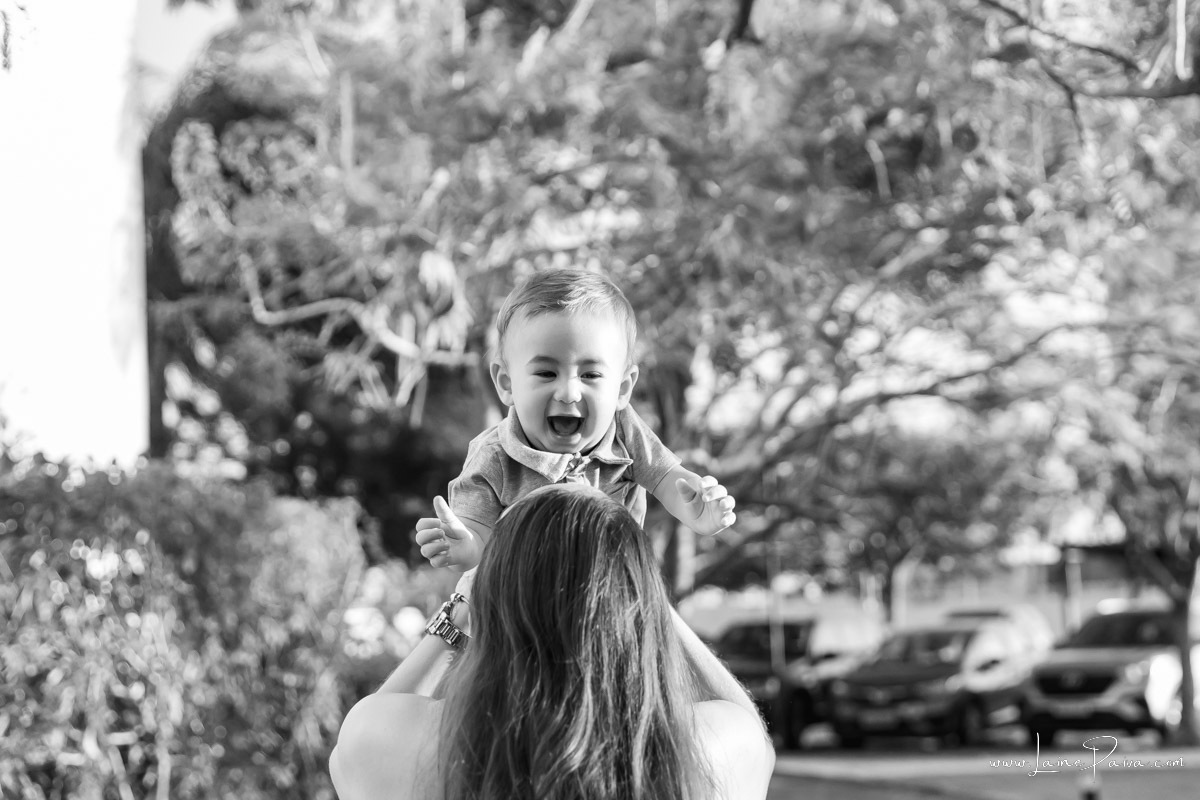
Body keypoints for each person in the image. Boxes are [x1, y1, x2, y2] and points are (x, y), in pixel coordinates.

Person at [330, 484, 774, 800]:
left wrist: (462, 602)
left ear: (492, 595)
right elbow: (756, 737)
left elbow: (351, 750)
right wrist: (646, 593)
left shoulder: (404, 744)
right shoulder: (705, 750)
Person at [415, 268, 737, 572]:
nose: (569, 393)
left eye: (590, 375)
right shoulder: (494, 456)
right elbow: (476, 535)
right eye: (546, 373)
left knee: (662, 614)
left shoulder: (623, 431)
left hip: (609, 585)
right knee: (465, 607)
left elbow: (668, 480)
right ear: (507, 383)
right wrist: (463, 546)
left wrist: (698, 512)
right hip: (522, 595)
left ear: (622, 388)